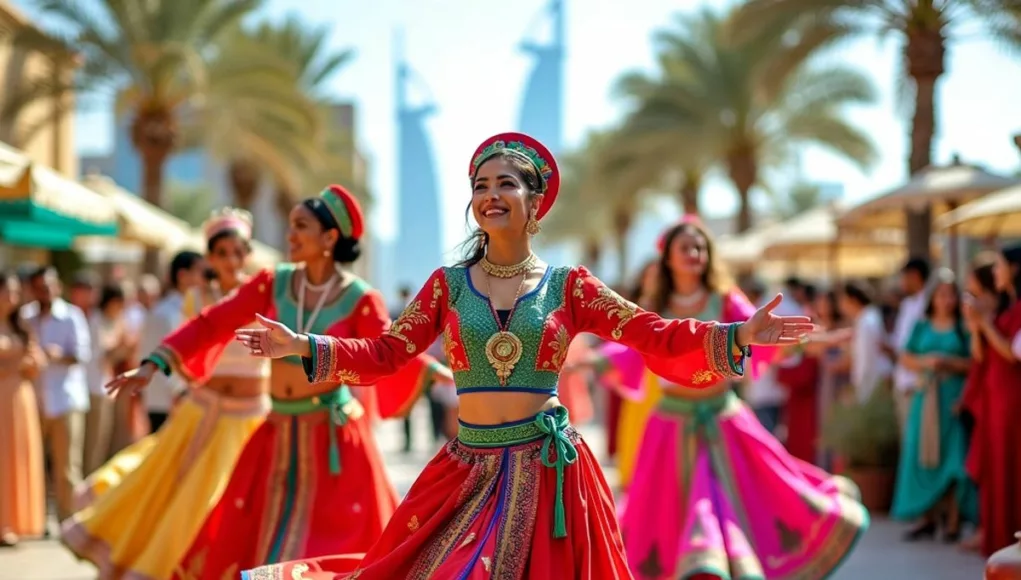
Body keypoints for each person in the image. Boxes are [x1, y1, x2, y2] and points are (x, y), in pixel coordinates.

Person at [233, 132, 814, 579]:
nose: (490, 195)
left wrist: (737, 335)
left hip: (548, 474)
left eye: (505, 184)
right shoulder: (447, 285)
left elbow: (652, 333)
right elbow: (386, 352)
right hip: (467, 470)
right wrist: (304, 345)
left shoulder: (570, 286)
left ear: (534, 202)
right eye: (481, 186)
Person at [105, 186, 449, 578]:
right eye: (290, 226)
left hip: (333, 440)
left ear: (330, 237)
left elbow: (384, 348)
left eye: (300, 226)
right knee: (254, 542)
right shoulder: (274, 282)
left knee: (333, 548)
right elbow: (214, 321)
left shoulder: (359, 297)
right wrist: (156, 362)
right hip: (277, 433)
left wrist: (425, 368)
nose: (289, 236)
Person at [618, 218, 867, 580]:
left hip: (724, 419)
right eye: (685, 248)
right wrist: (592, 362)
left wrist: (810, 341)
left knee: (746, 508)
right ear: (667, 259)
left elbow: (760, 332)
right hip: (670, 426)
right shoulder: (652, 307)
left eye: (701, 248)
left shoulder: (725, 299)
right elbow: (627, 351)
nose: (694, 254)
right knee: (665, 517)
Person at [62, 212, 275, 580]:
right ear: (210, 257)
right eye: (221, 252)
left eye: (237, 251)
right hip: (202, 410)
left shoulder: (263, 294)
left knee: (233, 505)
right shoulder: (196, 299)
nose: (230, 260)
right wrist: (160, 375)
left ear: (247, 253)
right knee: (177, 501)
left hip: (250, 417)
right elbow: (185, 352)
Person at [891, 270, 975, 543]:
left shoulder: (964, 328)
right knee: (920, 454)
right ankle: (925, 517)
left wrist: (948, 363)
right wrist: (927, 363)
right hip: (925, 397)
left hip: (952, 399)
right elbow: (905, 357)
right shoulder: (921, 326)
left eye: (951, 294)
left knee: (953, 458)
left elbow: (974, 365)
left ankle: (953, 520)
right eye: (941, 294)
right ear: (933, 298)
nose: (946, 300)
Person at [21, 266, 92, 524]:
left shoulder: (72, 316)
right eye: (40, 287)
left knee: (67, 467)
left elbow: (83, 354)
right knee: (33, 463)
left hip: (66, 400)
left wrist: (57, 355)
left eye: (49, 287)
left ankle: (69, 520)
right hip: (34, 402)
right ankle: (35, 517)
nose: (45, 292)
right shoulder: (25, 316)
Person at [964, 244, 1021, 556]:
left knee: (1010, 467)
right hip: (996, 398)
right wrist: (977, 327)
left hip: (1012, 401)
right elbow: (983, 354)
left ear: (1014, 268)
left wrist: (983, 323)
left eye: (1000, 265)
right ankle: (998, 537)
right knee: (997, 468)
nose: (996, 272)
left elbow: (1013, 354)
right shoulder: (1007, 306)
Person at [0, 271, 45, 547]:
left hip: (20, 399)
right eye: (6, 290)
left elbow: (36, 361)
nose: (11, 297)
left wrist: (31, 362)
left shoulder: (22, 327)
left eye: (15, 292)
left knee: (17, 457)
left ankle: (14, 521)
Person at [890, 258, 932, 436]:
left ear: (914, 276)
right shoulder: (908, 304)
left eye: (904, 277)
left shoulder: (928, 305)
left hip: (917, 383)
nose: (902, 282)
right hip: (903, 381)